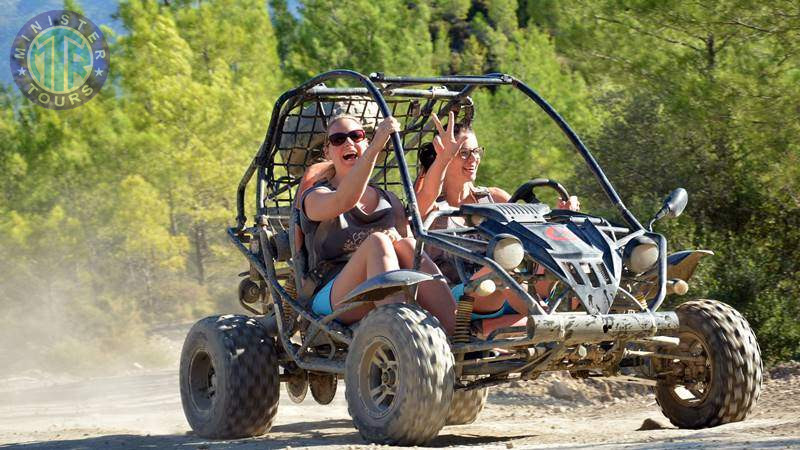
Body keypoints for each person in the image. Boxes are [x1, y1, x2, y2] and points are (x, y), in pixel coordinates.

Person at [300, 114, 457, 333]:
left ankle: (459, 335)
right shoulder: (316, 196)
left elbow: (424, 203)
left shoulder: (388, 199)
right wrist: (376, 146)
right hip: (332, 296)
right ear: (327, 152)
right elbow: (344, 200)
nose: (348, 142)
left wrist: (444, 160)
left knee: (408, 245)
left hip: (386, 292)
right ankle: (404, 336)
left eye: (356, 136)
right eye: (338, 139)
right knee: (378, 242)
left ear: (364, 141)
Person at [415, 112, 580, 319]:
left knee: (568, 252)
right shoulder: (431, 205)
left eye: (476, 151)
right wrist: (443, 159)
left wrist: (562, 220)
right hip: (460, 296)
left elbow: (533, 235)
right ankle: (548, 321)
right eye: (464, 153)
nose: (474, 158)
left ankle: (593, 323)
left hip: (511, 291)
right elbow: (425, 197)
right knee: (500, 269)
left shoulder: (494, 198)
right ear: (445, 156)